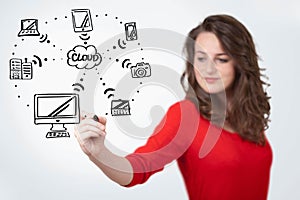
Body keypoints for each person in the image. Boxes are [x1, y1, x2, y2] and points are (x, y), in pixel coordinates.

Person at [75, 14, 272, 200]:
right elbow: (140, 167)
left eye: (221, 59)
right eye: (201, 58)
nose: (208, 69)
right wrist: (99, 153)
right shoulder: (186, 116)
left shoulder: (248, 117)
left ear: (240, 63)